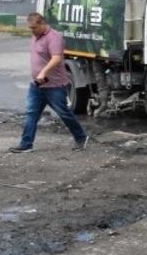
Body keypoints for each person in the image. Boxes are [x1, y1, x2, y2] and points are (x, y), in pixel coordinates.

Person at [9, 12, 89, 153]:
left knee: (64, 114)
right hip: (36, 85)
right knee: (31, 114)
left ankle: (81, 137)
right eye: (30, 28)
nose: (31, 31)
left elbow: (56, 58)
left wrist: (43, 72)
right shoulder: (35, 37)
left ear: (42, 24)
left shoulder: (54, 37)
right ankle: (26, 144)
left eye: (34, 27)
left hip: (54, 86)